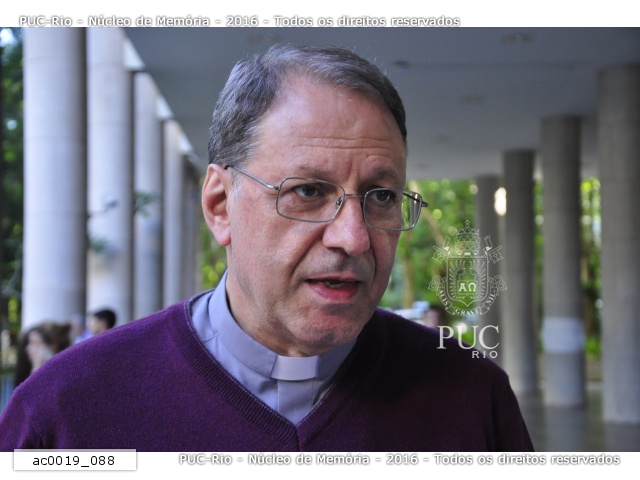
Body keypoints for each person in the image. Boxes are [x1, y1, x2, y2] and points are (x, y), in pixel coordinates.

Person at [0, 45, 532, 451]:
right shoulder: (66, 409)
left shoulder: (470, 394)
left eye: (381, 197)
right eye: (308, 191)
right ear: (220, 205)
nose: (353, 237)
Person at [13, 322, 71, 389]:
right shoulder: (26, 369)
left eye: (34, 343)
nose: (27, 348)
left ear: (52, 346)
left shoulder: (63, 374)